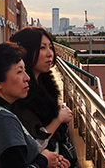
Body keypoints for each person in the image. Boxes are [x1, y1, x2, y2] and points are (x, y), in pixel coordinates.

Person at [0, 43, 69, 168]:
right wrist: (44, 161)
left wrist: (47, 158)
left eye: (25, 70)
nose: (27, 77)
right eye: (19, 72)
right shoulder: (3, 120)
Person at [11, 27, 76, 166]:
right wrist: (58, 119)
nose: (49, 54)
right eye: (42, 48)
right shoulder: (21, 93)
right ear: (26, 51)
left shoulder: (45, 86)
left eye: (51, 47)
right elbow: (33, 144)